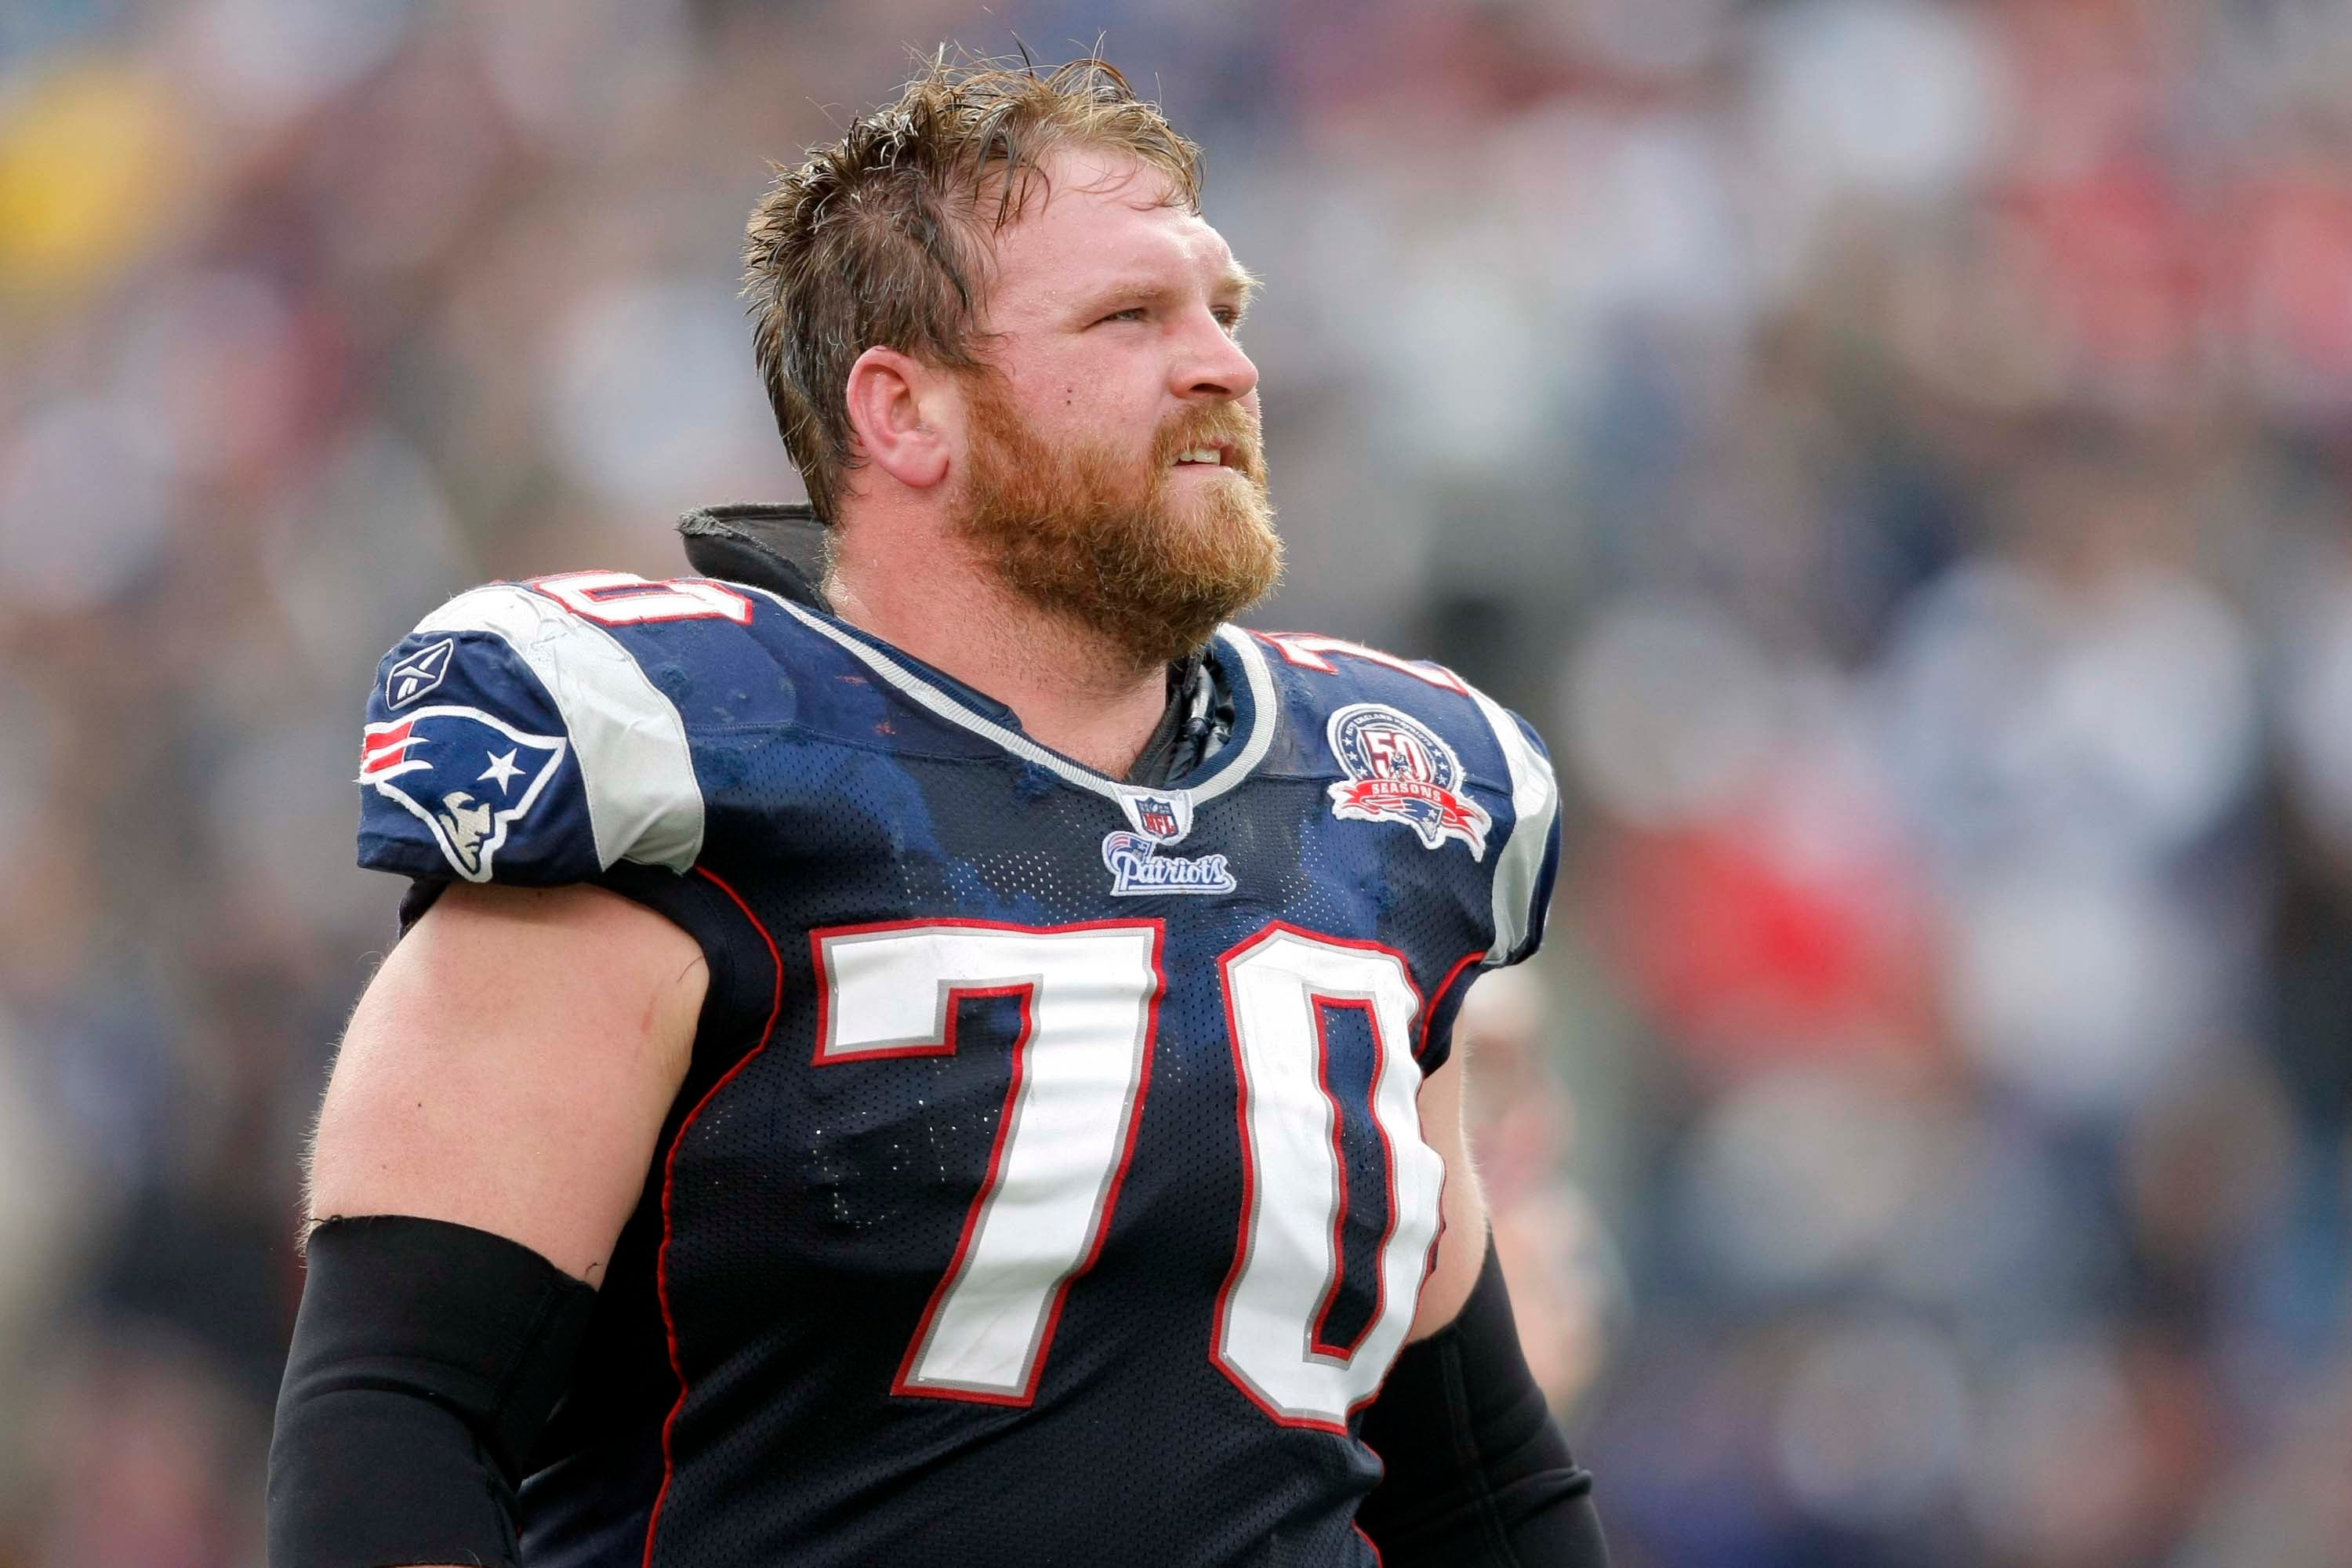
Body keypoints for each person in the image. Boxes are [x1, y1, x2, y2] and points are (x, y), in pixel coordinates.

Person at [267, 53, 1607, 1568]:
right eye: (1129, 318)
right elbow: (399, 1418)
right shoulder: (676, 770)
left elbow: (1480, 1490)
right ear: (905, 412)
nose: (1224, 366)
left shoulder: (1377, 810)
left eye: (1222, 312)